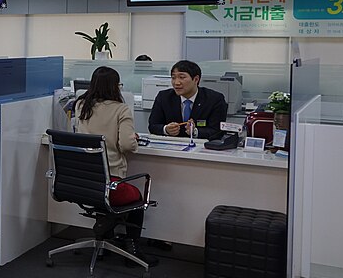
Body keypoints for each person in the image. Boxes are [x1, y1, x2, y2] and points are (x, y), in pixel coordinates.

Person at [73, 66, 157, 266]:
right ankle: (133, 248)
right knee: (137, 198)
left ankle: (106, 232)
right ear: (115, 87)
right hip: (110, 183)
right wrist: (132, 139)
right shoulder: (121, 109)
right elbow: (127, 145)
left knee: (113, 197)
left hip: (81, 181)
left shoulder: (80, 105)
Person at [148, 60, 227, 139]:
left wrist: (195, 132)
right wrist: (166, 129)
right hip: (172, 144)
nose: (176, 83)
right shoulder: (164, 97)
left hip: (202, 146)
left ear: (196, 79)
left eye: (182, 77)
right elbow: (153, 126)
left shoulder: (214, 99)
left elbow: (218, 131)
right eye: (173, 78)